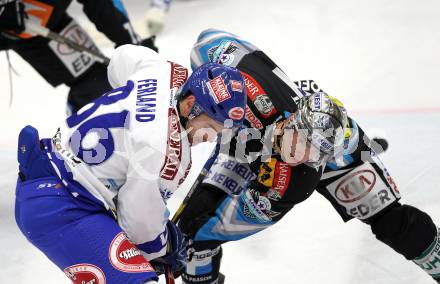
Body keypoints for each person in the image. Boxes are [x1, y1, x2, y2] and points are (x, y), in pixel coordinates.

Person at [177, 29, 440, 284]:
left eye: (313, 155)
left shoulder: (297, 177)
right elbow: (208, 41)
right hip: (252, 144)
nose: (301, 155)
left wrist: (195, 233)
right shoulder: (252, 92)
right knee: (193, 233)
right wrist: (205, 85)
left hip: (341, 156)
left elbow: (228, 222)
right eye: (302, 142)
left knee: (394, 222)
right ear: (292, 120)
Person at [14, 43, 247, 283]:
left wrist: (138, 110)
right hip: (62, 209)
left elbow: (121, 57)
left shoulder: (165, 71)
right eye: (209, 127)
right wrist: (162, 248)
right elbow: (138, 227)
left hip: (46, 171)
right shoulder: (167, 149)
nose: (209, 139)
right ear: (189, 105)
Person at [0, 0, 157, 113]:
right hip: (15, 30)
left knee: (95, 83)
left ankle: (84, 138)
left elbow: (103, 5)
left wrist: (131, 44)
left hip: (45, 21)